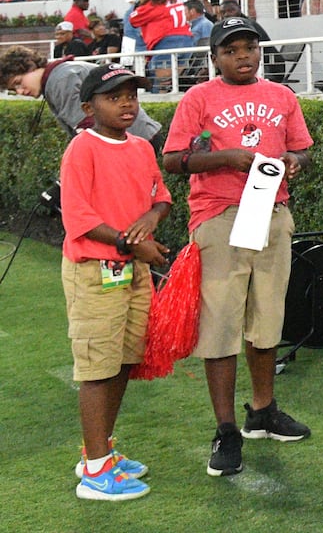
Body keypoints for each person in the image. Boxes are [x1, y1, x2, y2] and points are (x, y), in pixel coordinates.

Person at [161, 17, 314, 478]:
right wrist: (226, 158)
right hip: (220, 217)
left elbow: (302, 148)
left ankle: (262, 412)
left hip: (270, 213)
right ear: (215, 58)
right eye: (231, 50)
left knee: (267, 321)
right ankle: (225, 429)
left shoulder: (282, 96)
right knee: (221, 326)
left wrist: (294, 161)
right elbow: (172, 160)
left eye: (249, 47)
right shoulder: (198, 98)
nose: (243, 56)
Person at [60, 63, 171, 501]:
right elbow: (79, 219)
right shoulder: (81, 149)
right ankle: (94, 472)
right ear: (89, 108)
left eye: (132, 94)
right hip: (95, 271)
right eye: (114, 96)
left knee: (123, 360)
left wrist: (149, 220)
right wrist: (134, 244)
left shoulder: (141, 148)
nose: (127, 103)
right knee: (96, 368)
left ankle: (101, 449)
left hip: (131, 272)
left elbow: (160, 197)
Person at [0, 46, 163, 142]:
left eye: (18, 83)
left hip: (134, 140)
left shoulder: (58, 80)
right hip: (138, 136)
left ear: (30, 65)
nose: (21, 91)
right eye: (14, 91)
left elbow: (88, 131)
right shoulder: (59, 75)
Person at [127, 0, 194, 86]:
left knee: (163, 82)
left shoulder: (152, 7)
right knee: (175, 81)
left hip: (166, 42)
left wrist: (139, 4)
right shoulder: (174, 2)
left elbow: (133, 19)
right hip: (187, 40)